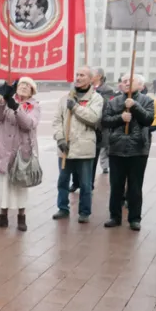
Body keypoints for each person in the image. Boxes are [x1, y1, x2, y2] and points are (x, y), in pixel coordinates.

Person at [0, 77, 41, 231]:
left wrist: (17, 108)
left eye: (28, 86)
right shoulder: (9, 100)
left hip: (21, 151)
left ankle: (21, 217)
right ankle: (2, 216)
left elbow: (29, 124)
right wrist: (4, 99)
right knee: (3, 185)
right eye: (22, 84)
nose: (24, 87)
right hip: (4, 149)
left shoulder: (34, 106)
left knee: (19, 185)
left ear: (32, 91)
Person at [101, 74, 155, 230]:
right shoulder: (114, 101)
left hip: (138, 149)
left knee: (135, 187)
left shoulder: (147, 101)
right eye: (124, 81)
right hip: (117, 148)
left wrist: (135, 106)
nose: (126, 83)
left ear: (140, 85)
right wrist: (120, 118)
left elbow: (148, 120)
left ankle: (134, 218)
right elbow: (105, 121)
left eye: (130, 81)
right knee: (116, 185)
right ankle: (114, 216)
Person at [52, 67, 104, 223]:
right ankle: (62, 208)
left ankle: (84, 211)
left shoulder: (96, 98)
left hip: (84, 147)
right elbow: (57, 121)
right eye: (77, 74)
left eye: (82, 75)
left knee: (85, 183)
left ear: (90, 79)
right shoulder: (65, 97)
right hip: (65, 147)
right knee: (63, 180)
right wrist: (60, 139)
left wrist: (75, 107)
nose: (78, 77)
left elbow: (93, 118)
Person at [91, 67, 117, 177]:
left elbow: (106, 106)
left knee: (94, 158)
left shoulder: (108, 90)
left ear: (99, 76)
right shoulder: (85, 88)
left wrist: (93, 95)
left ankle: (90, 184)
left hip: (99, 129)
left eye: (92, 74)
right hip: (84, 130)